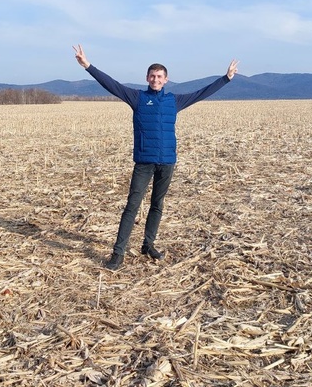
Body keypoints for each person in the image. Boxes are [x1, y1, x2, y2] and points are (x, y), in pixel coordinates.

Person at [73, 44, 239, 271]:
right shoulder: (137, 97)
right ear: (147, 78)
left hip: (167, 161)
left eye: (159, 76)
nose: (155, 79)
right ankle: (118, 253)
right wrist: (88, 66)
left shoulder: (174, 101)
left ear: (166, 79)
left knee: (157, 205)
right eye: (152, 76)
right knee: (132, 205)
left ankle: (148, 244)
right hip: (144, 161)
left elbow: (202, 93)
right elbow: (111, 84)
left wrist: (226, 79)